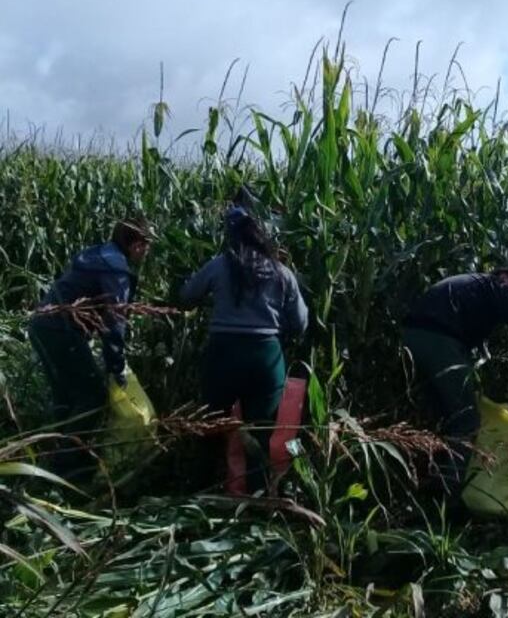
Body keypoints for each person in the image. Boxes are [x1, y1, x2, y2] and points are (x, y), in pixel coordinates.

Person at [180, 208, 308, 492]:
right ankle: (257, 498)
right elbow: (300, 323)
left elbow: (187, 295)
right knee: (260, 431)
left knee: (211, 426)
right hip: (265, 357)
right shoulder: (281, 272)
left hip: (223, 353)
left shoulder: (220, 265)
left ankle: (198, 492)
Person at [402, 269, 508, 494]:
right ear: (504, 278)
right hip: (439, 340)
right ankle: (448, 496)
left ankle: (426, 488)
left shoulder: (472, 286)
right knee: (466, 420)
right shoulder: (493, 285)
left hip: (414, 335)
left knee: (444, 417)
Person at [29, 217, 153, 478]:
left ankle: (60, 461)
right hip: (59, 331)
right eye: (146, 244)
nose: (147, 250)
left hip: (44, 325)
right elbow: (115, 321)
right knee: (92, 396)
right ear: (135, 245)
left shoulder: (97, 254)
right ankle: (67, 467)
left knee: (67, 397)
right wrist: (116, 367)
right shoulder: (115, 269)